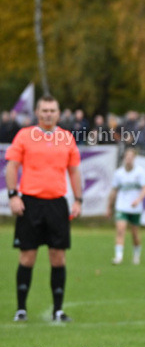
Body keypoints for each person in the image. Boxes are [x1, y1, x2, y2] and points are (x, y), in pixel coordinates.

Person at [5, 95, 82, 323]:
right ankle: (21, 309)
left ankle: (58, 310)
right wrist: (13, 195)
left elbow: (74, 171)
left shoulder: (67, 138)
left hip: (57, 203)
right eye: (44, 110)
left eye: (52, 110)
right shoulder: (25, 135)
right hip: (30, 203)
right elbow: (12, 166)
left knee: (58, 257)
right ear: (37, 113)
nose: (48, 114)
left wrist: (78, 199)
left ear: (58, 113)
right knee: (27, 257)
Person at [107, 147, 145, 265]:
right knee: (120, 230)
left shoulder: (140, 172)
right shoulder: (119, 173)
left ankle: (136, 255)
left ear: (134, 158)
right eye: (126, 156)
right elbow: (114, 191)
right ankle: (118, 257)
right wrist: (109, 206)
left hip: (135, 208)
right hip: (122, 206)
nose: (128, 159)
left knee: (135, 234)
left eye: (130, 157)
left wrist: (138, 200)